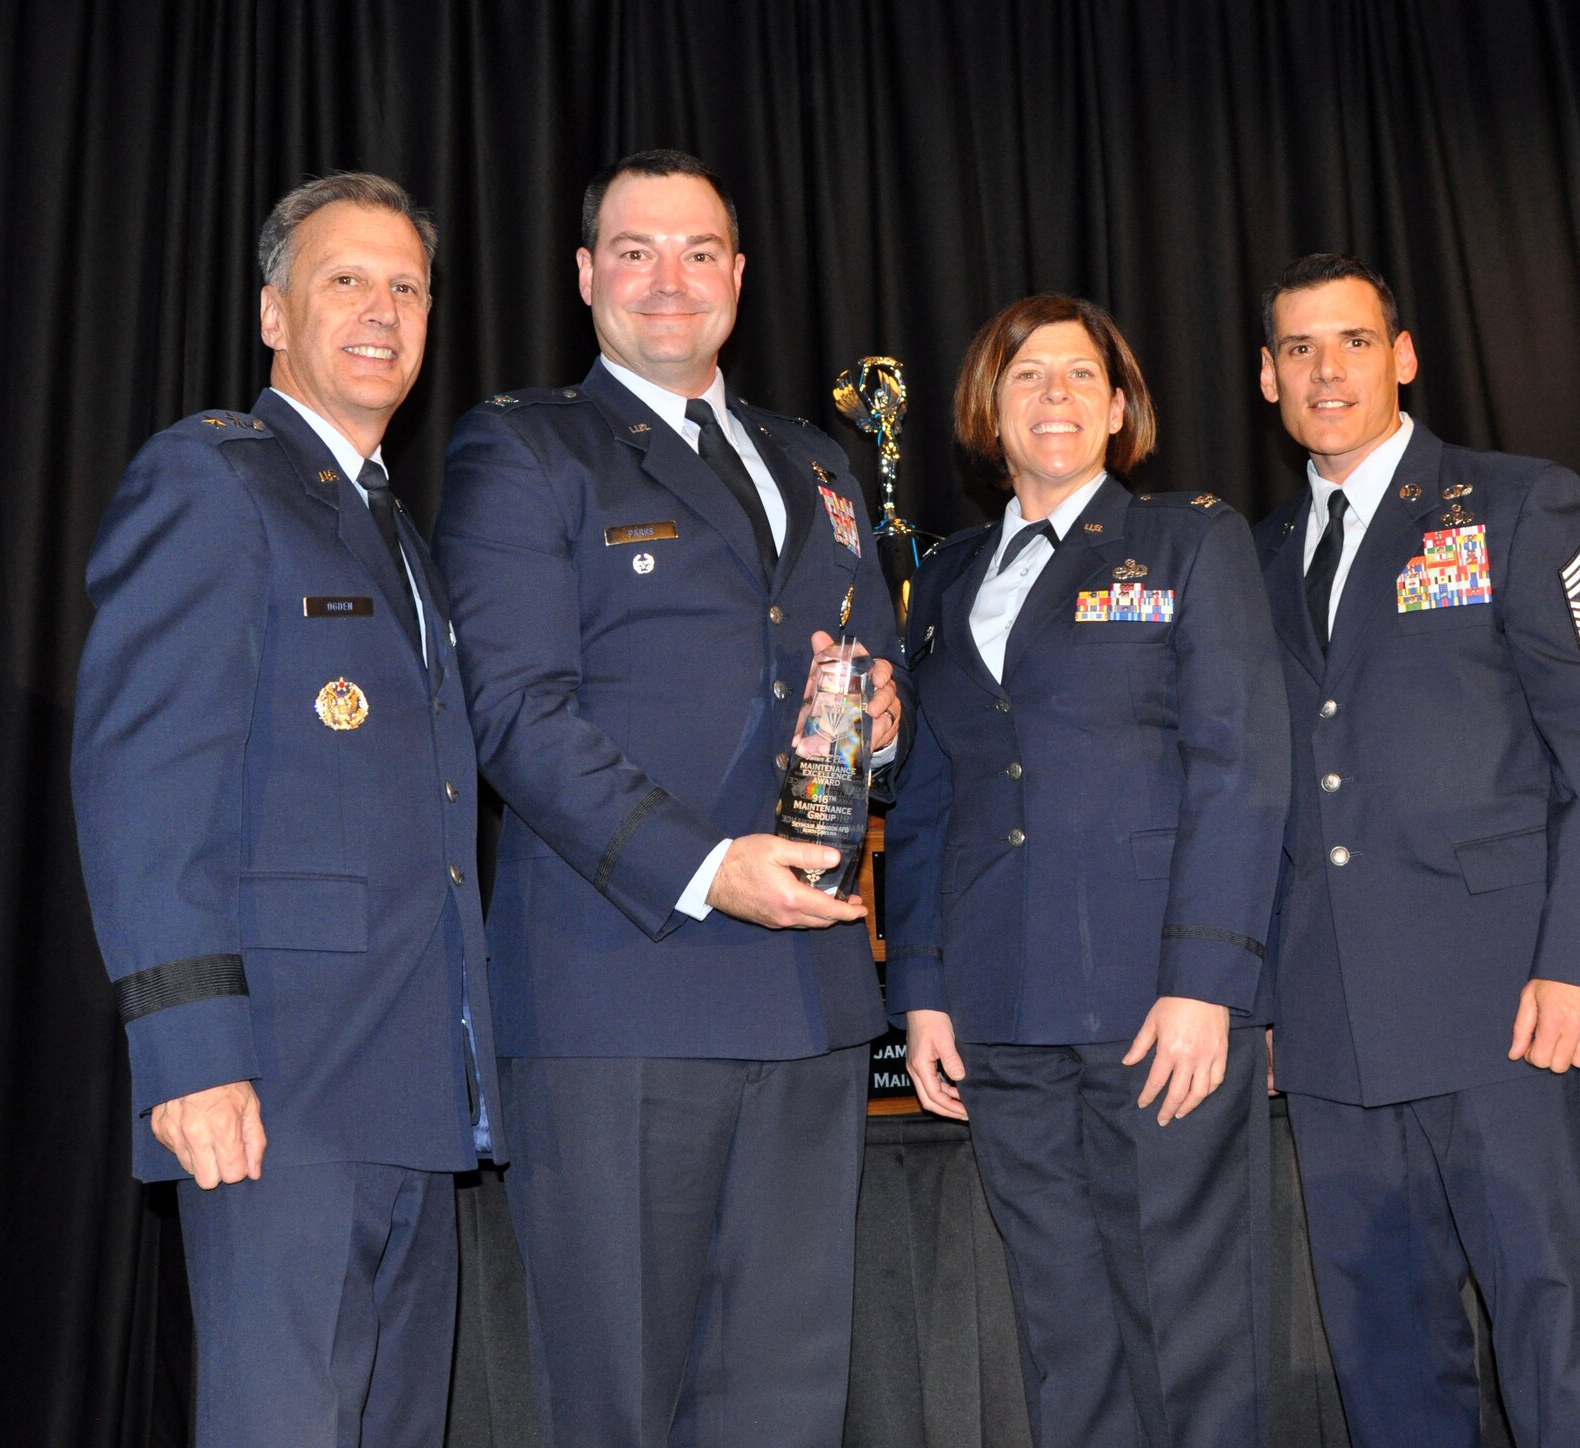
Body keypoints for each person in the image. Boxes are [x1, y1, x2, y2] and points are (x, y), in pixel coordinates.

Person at [432, 149, 905, 1448]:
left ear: (740, 278)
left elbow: (854, 667)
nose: (669, 280)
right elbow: (514, 715)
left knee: (786, 1406)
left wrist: (878, 716)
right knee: (622, 1404)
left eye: (700, 251)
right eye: (634, 251)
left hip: (809, 1001)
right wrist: (706, 868)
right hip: (621, 995)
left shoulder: (818, 459)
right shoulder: (527, 448)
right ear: (586, 278)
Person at [71, 173, 496, 1447]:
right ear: (273, 311)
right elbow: (145, 783)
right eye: (344, 280)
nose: (381, 309)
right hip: (277, 1087)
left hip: (412, 1087)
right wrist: (194, 1055)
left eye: (406, 285)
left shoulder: (392, 529)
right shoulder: (212, 482)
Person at [1251, 253, 1580, 1448]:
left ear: (1403, 354)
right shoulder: (1261, 550)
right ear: (1266, 375)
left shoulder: (1514, 502)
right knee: (1381, 1347)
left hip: (1508, 1004)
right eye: (1296, 349)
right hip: (1331, 1019)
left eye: (1352, 341)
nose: (1326, 371)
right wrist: (1272, 992)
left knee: (1555, 1327)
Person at [883, 294, 1290, 1446]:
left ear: (1119, 408)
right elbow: (927, 797)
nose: (1051, 395)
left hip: (1155, 1004)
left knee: (1189, 1334)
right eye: (1024, 377)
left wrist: (1207, 981)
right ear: (987, 413)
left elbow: (1239, 767)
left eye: (1077, 376)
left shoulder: (1189, 539)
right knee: (1063, 1337)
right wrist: (919, 985)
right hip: (1003, 1007)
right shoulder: (951, 576)